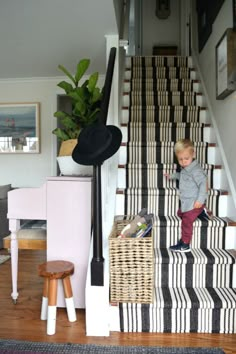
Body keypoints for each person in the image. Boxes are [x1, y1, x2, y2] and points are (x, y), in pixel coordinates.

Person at [164, 138, 211, 253]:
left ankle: (185, 244)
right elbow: (182, 176)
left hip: (194, 202)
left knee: (186, 221)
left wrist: (200, 200)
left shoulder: (196, 171)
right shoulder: (186, 169)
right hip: (187, 202)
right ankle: (200, 211)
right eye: (180, 159)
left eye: (186, 158)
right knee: (179, 213)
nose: (184, 161)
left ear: (193, 154)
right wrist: (172, 176)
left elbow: (204, 184)